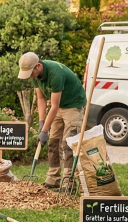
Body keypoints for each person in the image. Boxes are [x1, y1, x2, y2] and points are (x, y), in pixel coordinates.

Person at [18, 52, 87, 189]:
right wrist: (42, 122)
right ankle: (53, 177)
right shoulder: (35, 75)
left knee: (68, 143)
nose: (29, 76)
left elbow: (54, 107)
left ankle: (68, 180)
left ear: (38, 66)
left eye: (30, 73)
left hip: (73, 105)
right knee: (53, 142)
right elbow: (41, 98)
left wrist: (44, 131)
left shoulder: (55, 74)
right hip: (59, 105)